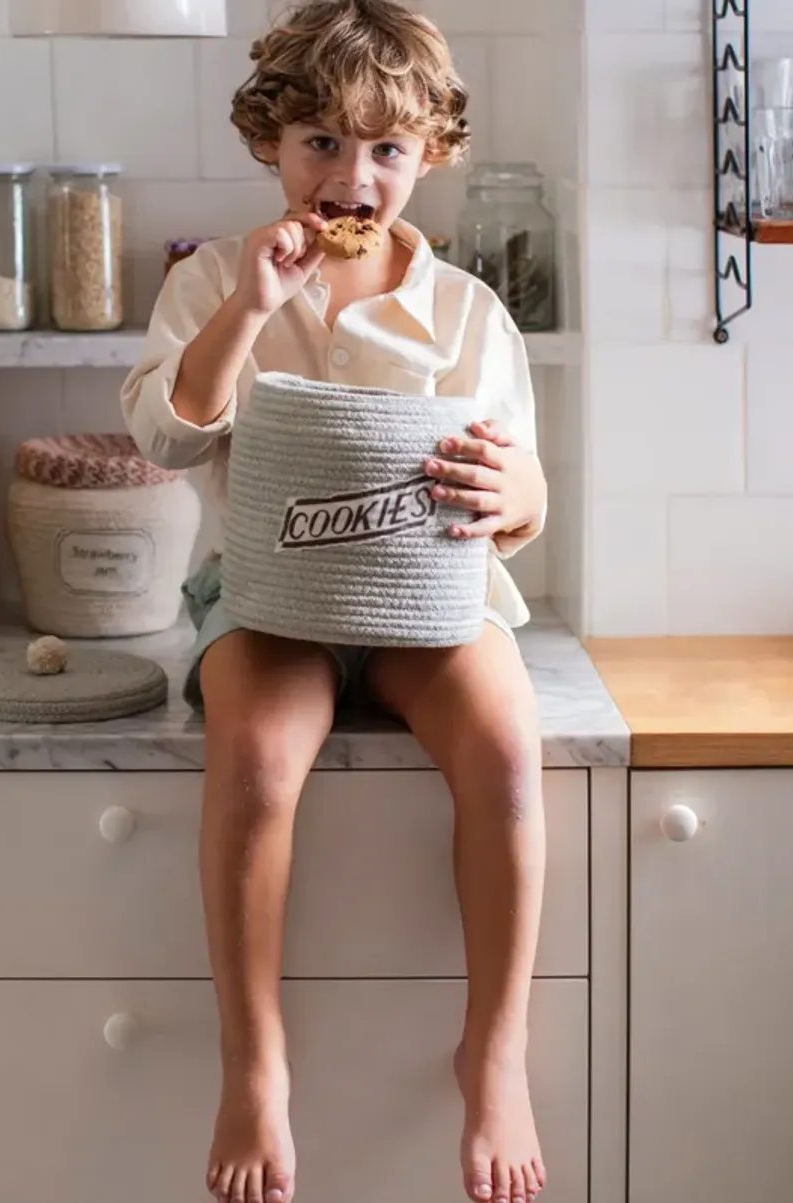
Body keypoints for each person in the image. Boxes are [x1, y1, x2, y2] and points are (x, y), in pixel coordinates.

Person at [121, 1, 549, 1200]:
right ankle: (254, 1061)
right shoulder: (216, 276)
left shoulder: (468, 310)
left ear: (430, 157)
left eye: (385, 151)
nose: (350, 177)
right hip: (269, 600)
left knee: (509, 755)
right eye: (319, 141)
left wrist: (520, 490)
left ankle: (495, 1051)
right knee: (255, 760)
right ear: (271, 141)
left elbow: (520, 498)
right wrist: (249, 307)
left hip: (431, 596)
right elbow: (163, 434)